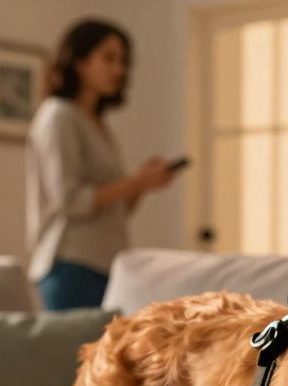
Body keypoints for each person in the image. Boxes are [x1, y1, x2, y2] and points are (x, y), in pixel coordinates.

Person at [27, 19, 179, 310]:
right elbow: (69, 200)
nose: (119, 70)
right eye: (109, 58)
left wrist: (143, 184)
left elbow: (116, 209)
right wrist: (136, 182)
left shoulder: (98, 125)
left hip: (107, 264)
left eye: (123, 61)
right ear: (79, 62)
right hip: (71, 263)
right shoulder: (58, 116)